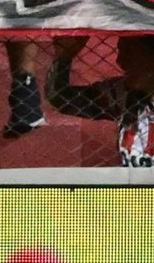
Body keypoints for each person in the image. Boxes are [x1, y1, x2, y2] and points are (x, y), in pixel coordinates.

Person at [46, 34, 154, 168]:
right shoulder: (127, 94)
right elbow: (60, 97)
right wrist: (64, 57)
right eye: (121, 50)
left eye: (130, 52)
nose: (120, 61)